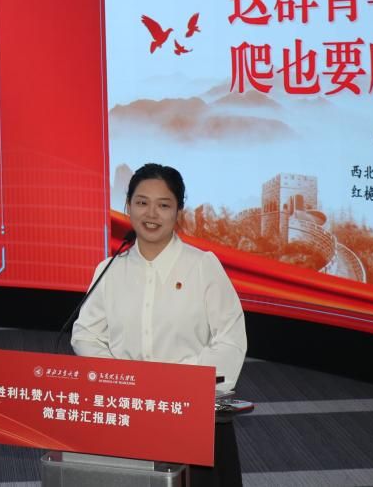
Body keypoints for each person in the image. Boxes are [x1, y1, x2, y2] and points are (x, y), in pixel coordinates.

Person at [71, 162, 247, 486]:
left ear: (178, 211)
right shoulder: (110, 269)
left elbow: (231, 339)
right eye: (142, 202)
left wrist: (185, 385)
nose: (151, 214)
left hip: (188, 412)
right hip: (128, 410)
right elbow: (85, 334)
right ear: (128, 206)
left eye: (163, 205)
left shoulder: (202, 266)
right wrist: (119, 378)